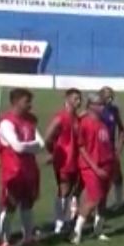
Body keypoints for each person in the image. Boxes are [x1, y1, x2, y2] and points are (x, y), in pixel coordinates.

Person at [0, 88, 45, 246]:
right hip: (13, 172)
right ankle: (3, 243)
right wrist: (30, 146)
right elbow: (17, 146)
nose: (30, 105)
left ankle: (28, 238)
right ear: (16, 102)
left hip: (29, 170)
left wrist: (27, 146)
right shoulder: (7, 123)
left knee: (27, 205)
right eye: (27, 101)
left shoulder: (30, 121)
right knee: (9, 207)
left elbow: (42, 143)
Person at [73, 94, 115, 244]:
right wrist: (95, 167)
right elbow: (81, 147)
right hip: (91, 166)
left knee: (102, 199)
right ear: (91, 105)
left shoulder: (102, 124)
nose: (102, 107)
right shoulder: (84, 123)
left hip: (106, 164)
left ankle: (99, 229)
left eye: (103, 104)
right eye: (99, 104)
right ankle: (76, 232)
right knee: (93, 198)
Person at [44, 88, 82, 233]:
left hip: (74, 159)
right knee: (64, 189)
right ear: (67, 100)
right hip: (64, 159)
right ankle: (59, 223)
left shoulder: (76, 118)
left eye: (79, 99)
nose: (78, 102)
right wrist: (53, 152)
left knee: (70, 189)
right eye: (75, 99)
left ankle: (64, 219)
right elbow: (48, 136)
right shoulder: (61, 117)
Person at [99, 86, 124, 207]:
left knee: (117, 175)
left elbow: (121, 129)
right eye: (106, 94)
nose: (109, 97)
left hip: (110, 148)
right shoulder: (96, 110)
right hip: (97, 148)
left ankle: (119, 201)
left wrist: (119, 147)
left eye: (111, 94)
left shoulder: (114, 110)